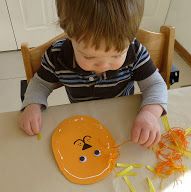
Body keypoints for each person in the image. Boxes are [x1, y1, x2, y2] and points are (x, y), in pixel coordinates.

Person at [19, 0, 167, 148]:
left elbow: (155, 84)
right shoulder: (57, 57)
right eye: (89, 57)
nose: (103, 65)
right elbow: (40, 83)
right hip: (84, 124)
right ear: (70, 35)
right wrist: (32, 105)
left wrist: (150, 113)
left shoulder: (134, 51)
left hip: (124, 122)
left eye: (116, 56)